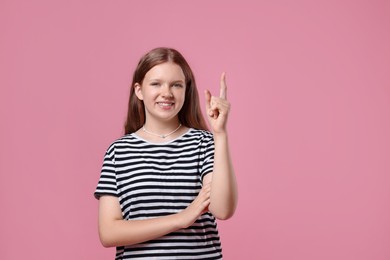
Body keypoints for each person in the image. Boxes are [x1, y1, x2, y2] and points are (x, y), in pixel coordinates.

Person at [94, 47, 238, 259]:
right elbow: (109, 233)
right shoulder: (119, 151)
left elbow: (223, 209)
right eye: (156, 84)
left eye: (176, 85)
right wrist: (181, 218)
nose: (167, 93)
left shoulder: (204, 143)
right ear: (139, 90)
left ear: (186, 91)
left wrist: (220, 134)